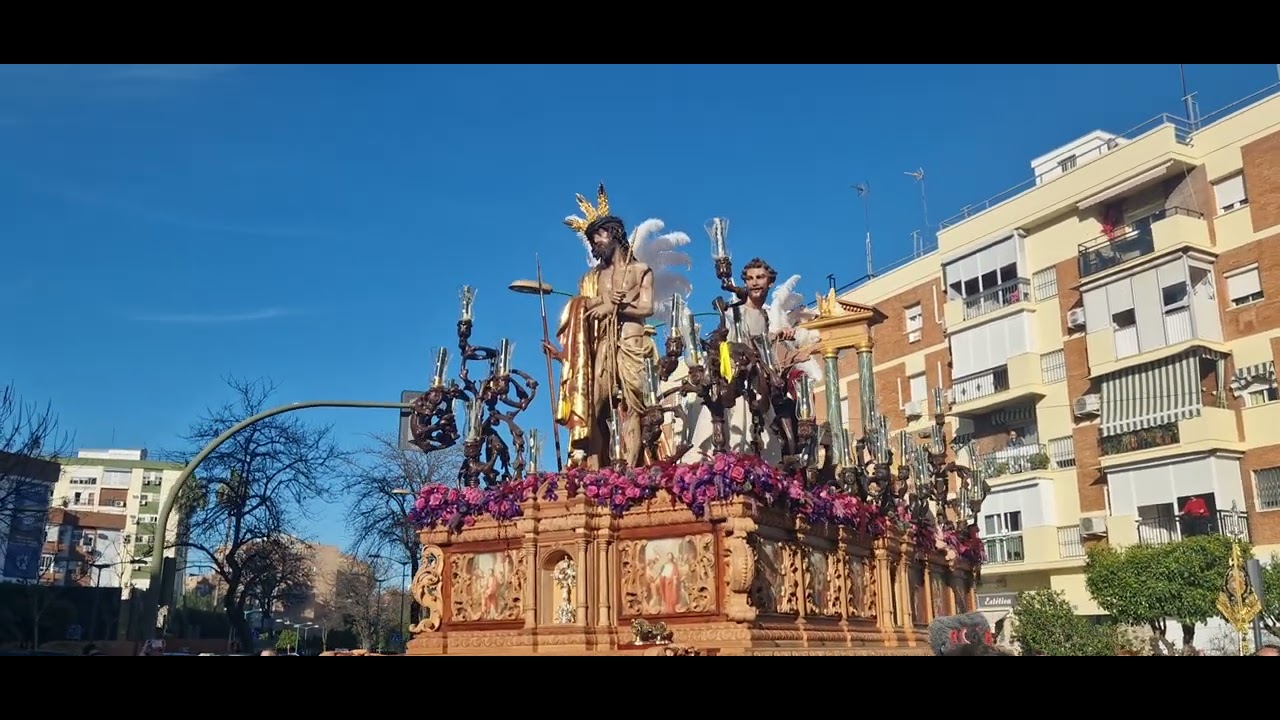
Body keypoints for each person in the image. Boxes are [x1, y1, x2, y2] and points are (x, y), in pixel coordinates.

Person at [544, 184, 658, 469]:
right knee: (595, 405)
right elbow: (582, 308)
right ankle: (597, 469)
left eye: (599, 236)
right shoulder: (591, 278)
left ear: (615, 234)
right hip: (602, 347)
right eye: (592, 239)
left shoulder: (640, 270)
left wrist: (617, 307)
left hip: (632, 342)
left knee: (634, 406)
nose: (595, 244)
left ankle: (631, 467)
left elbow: (647, 308)